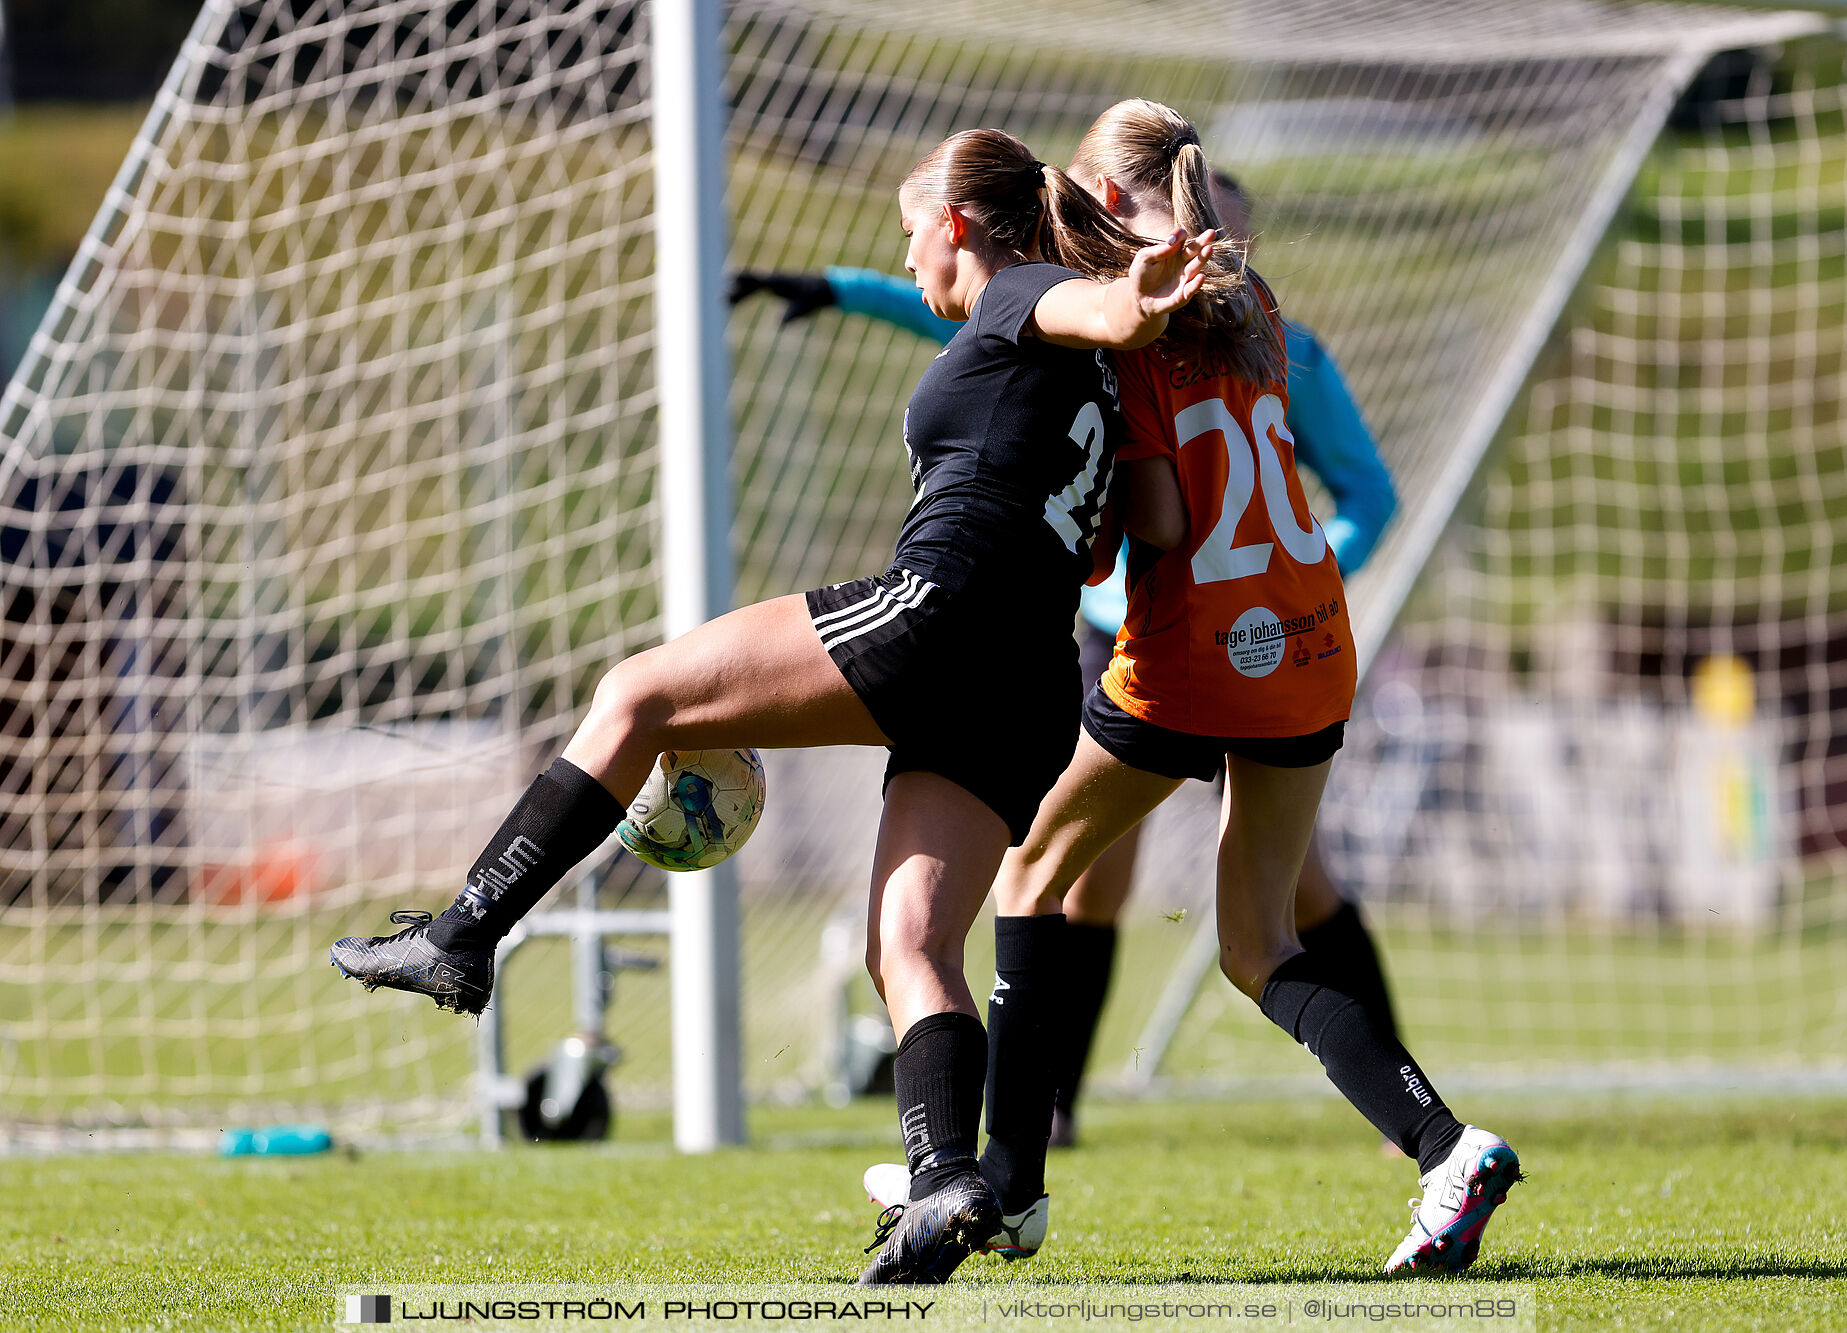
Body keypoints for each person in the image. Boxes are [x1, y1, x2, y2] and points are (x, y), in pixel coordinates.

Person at [330, 126, 1215, 1286]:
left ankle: (461, 937)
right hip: (1029, 678)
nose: (907, 264)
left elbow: (1082, 312)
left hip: (939, 618)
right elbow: (1130, 518)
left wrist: (1131, 305)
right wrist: (1131, 328)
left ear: (955, 223)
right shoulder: (1080, 371)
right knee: (907, 944)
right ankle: (948, 1182)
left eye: (910, 237)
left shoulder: (1023, 296)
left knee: (634, 693)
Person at [870, 101, 1518, 1277]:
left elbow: (1162, 516)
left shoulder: (1133, 337)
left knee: (1033, 868)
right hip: (1311, 643)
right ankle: (1446, 1148)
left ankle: (1008, 1182)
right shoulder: (1253, 306)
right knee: (1257, 939)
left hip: (1194, 654)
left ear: (1113, 208)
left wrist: (1080, 518)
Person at [737, 174, 1402, 1152]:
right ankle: (1051, 1109)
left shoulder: (1286, 353)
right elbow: (958, 314)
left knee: (1281, 888)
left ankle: (1394, 1111)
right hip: (1116, 629)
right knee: (1086, 876)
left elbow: (1365, 496)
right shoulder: (1098, 328)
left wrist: (1282, 580)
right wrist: (838, 286)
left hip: (1224, 638)